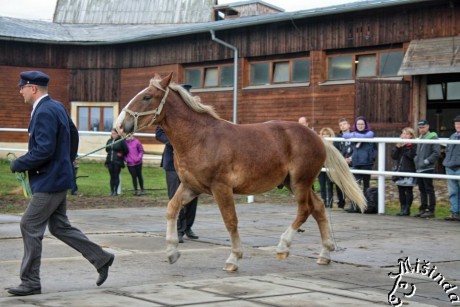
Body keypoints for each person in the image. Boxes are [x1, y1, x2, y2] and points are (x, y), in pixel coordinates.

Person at [8, 71, 114, 296]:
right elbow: (74, 133)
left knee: (29, 224)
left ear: (33, 88)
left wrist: (20, 163)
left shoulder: (45, 110)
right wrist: (69, 157)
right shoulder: (56, 106)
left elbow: (44, 149)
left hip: (50, 179)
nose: (20, 91)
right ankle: (101, 258)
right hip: (58, 175)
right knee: (59, 226)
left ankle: (30, 282)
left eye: (22, 87)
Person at [156, 126, 199, 243]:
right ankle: (179, 229)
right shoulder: (168, 116)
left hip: (190, 162)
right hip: (171, 163)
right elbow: (159, 134)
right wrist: (175, 141)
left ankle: (188, 227)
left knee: (193, 194)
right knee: (175, 195)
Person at [342, 116, 375, 212]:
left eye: (362, 124)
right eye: (358, 124)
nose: (360, 126)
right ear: (355, 125)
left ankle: (365, 206)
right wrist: (356, 135)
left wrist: (355, 135)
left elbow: (367, 136)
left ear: (365, 125)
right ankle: (354, 205)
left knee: (366, 185)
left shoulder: (370, 132)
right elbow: (344, 136)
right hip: (356, 162)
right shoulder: (353, 134)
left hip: (366, 162)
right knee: (355, 185)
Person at [414, 120, 440, 218]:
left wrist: (427, 161)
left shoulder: (433, 137)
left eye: (423, 127)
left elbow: (436, 153)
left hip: (427, 167)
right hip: (419, 167)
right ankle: (423, 208)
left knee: (429, 189)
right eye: (420, 128)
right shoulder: (420, 138)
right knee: (422, 189)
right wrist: (416, 160)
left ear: (428, 127)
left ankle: (431, 209)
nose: (421, 129)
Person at [391, 127, 417, 216]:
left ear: (411, 136)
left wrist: (406, 146)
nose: (404, 135)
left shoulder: (414, 144)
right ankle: (402, 208)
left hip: (409, 169)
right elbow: (394, 156)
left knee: (408, 190)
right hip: (400, 169)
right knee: (400, 190)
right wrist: (397, 147)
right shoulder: (400, 145)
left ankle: (407, 209)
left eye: (406, 134)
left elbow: (411, 156)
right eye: (403, 133)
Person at [442, 115, 460, 221]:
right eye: (456, 123)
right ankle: (454, 212)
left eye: (459, 123)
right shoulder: (452, 136)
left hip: (458, 167)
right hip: (450, 167)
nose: (458, 125)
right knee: (452, 192)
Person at [105, 128, 129, 196]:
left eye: (114, 133)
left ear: (117, 134)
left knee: (116, 176)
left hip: (117, 161)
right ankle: (111, 191)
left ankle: (116, 191)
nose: (113, 135)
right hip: (110, 160)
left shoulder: (121, 141)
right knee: (111, 176)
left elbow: (126, 150)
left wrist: (121, 154)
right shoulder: (109, 141)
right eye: (112, 133)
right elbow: (107, 149)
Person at [335, 118, 353, 209]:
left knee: (351, 183)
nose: (343, 126)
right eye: (341, 125)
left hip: (352, 163)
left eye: (344, 124)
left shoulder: (354, 136)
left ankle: (353, 203)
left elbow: (356, 149)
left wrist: (350, 158)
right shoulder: (337, 138)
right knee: (339, 183)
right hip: (341, 163)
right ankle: (341, 203)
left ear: (349, 125)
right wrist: (342, 160)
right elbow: (335, 151)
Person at [318, 127, 335, 207]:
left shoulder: (333, 144)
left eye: (327, 134)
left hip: (330, 167)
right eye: (323, 134)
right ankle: (323, 201)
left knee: (330, 185)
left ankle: (330, 202)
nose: (325, 136)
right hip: (321, 167)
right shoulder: (319, 144)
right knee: (322, 185)